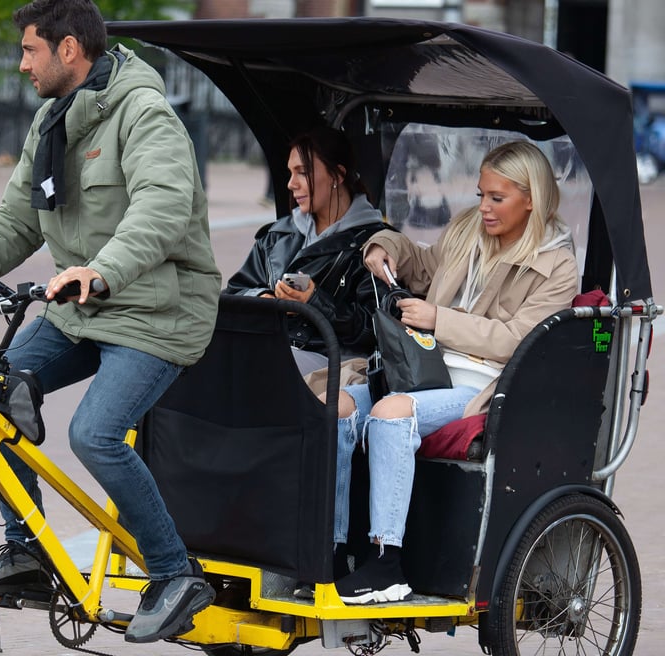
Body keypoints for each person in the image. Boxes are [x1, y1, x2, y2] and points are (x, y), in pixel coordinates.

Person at [0, 0, 221, 643]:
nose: (21, 63)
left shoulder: (145, 115)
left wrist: (100, 269)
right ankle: (26, 551)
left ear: (67, 51)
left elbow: (161, 210)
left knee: (96, 433)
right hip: (81, 309)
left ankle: (174, 574)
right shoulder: (52, 122)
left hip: (156, 310)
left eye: (30, 50)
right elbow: (17, 220)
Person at [331, 141, 579, 604]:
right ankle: (335, 549)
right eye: (481, 194)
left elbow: (517, 340)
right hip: (423, 371)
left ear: (532, 199)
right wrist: (383, 246)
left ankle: (386, 564)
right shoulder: (468, 231)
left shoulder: (556, 266)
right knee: (337, 405)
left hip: (483, 388)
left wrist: (438, 320)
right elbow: (422, 264)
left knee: (390, 413)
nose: (483, 207)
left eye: (496, 198)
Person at [224, 126, 391, 375]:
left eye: (302, 173)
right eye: (290, 173)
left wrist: (314, 301)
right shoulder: (275, 236)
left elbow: (378, 330)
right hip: (271, 346)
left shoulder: (376, 244)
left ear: (337, 175)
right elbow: (234, 293)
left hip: (334, 362)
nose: (291, 184)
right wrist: (263, 300)